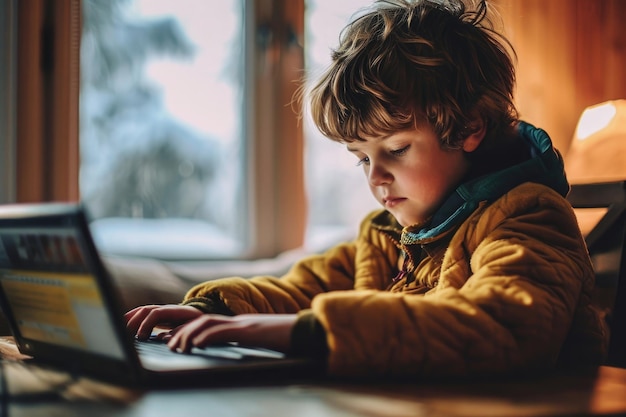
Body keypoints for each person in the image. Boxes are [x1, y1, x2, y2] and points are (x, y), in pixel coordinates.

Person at [125, 0, 608, 378]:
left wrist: (302, 332)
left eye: (396, 150)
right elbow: (302, 287)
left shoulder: (530, 218)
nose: (375, 177)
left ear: (468, 128)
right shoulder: (386, 236)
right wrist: (209, 308)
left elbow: (498, 327)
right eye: (362, 158)